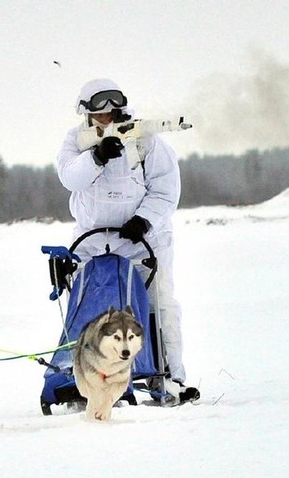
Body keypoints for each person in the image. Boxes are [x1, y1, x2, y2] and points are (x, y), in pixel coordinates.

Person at [55, 78, 199, 404]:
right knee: (90, 312)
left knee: (157, 307)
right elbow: (71, 178)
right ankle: (84, 379)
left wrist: (144, 220)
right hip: (92, 242)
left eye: (112, 111)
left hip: (143, 241)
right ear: (87, 114)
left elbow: (165, 189)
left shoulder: (147, 139)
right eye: (99, 113)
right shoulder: (75, 141)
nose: (106, 118)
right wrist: (98, 157)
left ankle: (169, 376)